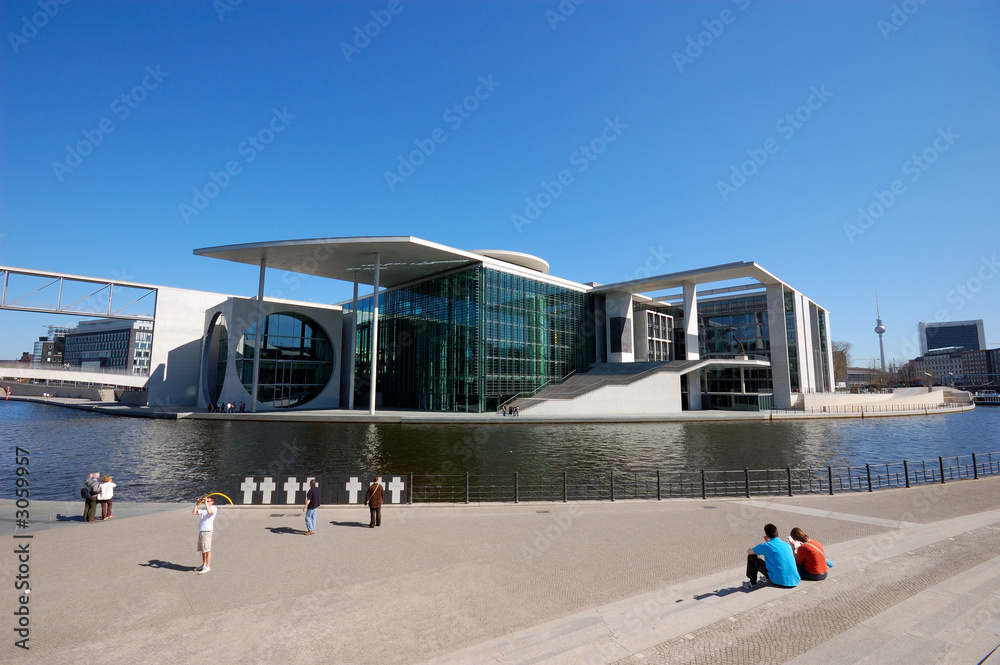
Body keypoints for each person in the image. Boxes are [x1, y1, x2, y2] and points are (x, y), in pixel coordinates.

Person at [745, 523, 800, 589]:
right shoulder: (786, 545)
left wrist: (752, 549)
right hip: (795, 580)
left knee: (751, 557)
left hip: (778, 580)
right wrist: (767, 541)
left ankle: (752, 582)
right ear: (778, 534)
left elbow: (749, 552)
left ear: (767, 535)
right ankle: (766, 577)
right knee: (773, 558)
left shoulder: (766, 546)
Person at [192, 496, 217, 574]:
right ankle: (204, 565)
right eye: (206, 501)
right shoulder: (203, 509)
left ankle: (208, 566)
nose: (207, 502)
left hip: (207, 531)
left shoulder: (213, 508)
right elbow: (194, 512)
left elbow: (210, 512)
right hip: (201, 530)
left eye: (209, 501)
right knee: (203, 549)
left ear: (212, 502)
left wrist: (206, 503)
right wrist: (197, 504)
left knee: (207, 550)